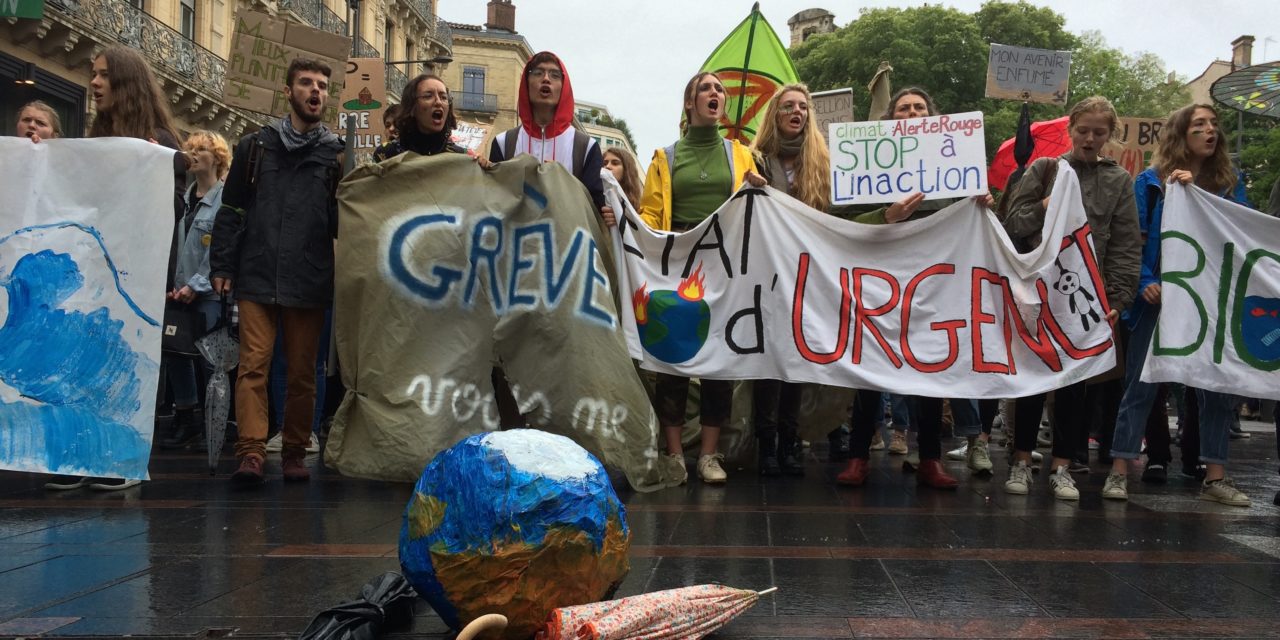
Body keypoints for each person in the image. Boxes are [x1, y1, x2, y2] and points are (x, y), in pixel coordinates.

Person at [833, 87, 994, 490]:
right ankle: (857, 457)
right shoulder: (868, 162)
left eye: (919, 107)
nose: (911, 113)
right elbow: (843, 219)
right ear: (891, 119)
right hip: (880, 278)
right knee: (869, 365)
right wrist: (886, 215)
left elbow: (970, 213)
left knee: (931, 367)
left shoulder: (954, 160)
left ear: (931, 116)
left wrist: (983, 203)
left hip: (933, 281)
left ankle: (930, 460)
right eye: (903, 108)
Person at [44, 45, 188, 491]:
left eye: (104, 75)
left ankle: (119, 458)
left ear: (125, 84)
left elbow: (175, 208)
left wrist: (153, 168)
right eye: (93, 73)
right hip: (93, 266)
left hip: (134, 275)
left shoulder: (161, 143)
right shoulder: (93, 138)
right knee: (84, 359)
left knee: (121, 361)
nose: (95, 82)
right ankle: (83, 455)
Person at [1103, 103, 1252, 507]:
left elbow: (1243, 233)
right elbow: (1132, 239)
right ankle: (1119, 470)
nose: (1210, 132)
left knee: (1215, 386)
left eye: (1214, 126)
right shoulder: (1151, 182)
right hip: (1159, 299)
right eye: (1199, 125)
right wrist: (1146, 282)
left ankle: (1215, 475)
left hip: (1207, 297)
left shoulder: (1228, 183)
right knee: (1141, 384)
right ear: (1180, 135)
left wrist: (1200, 197)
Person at [210, 58, 344, 486]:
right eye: (306, 83)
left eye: (322, 85)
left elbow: (345, 220)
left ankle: (293, 450)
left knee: (304, 371)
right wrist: (222, 265)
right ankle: (250, 451)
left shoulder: (336, 154)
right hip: (257, 271)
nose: (315, 91)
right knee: (253, 367)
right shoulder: (255, 147)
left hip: (309, 277)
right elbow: (230, 209)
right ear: (288, 91)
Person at [1001, 95, 1141, 501]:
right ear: (1071, 130)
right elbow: (1014, 221)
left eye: (1099, 133)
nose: (1090, 138)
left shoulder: (1119, 181)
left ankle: (1062, 465)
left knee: (1074, 385)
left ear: (1110, 135)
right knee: (1032, 378)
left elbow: (1126, 244)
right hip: (1038, 291)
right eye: (1083, 131)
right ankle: (1022, 460)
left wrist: (1117, 297)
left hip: (1088, 297)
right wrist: (1049, 203)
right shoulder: (1046, 169)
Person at [637, 71, 759, 485]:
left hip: (723, 269)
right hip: (676, 267)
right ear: (689, 104)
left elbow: (755, 210)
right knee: (671, 358)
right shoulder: (665, 157)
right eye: (704, 88)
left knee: (718, 363)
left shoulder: (742, 155)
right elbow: (650, 216)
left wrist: (757, 189)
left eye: (719, 90)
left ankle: (709, 455)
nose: (714, 93)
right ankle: (673, 454)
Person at [487, 52, 606, 425]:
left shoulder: (584, 147)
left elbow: (594, 207)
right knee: (509, 348)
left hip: (564, 271)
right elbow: (489, 203)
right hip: (514, 269)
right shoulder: (505, 143)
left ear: (563, 86)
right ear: (527, 83)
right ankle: (512, 431)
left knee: (562, 348)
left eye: (554, 75)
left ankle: (562, 430)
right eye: (537, 73)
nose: (545, 80)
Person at [740, 83, 831, 477]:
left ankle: (790, 439)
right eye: (788, 106)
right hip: (766, 273)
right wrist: (747, 189)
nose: (797, 112)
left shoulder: (824, 165)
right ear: (775, 116)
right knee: (767, 358)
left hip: (809, 274)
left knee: (796, 357)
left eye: (803, 107)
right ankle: (766, 441)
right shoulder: (756, 161)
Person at [159, 131, 231, 452]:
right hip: (178, 290)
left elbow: (219, 249)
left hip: (207, 294)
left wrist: (196, 285)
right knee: (175, 351)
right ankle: (185, 416)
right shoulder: (183, 198)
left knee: (208, 359)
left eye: (201, 149)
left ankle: (213, 423)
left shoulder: (223, 200)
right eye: (190, 149)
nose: (194, 154)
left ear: (217, 158)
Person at [603, 146, 643, 212]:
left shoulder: (642, 209)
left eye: (615, 163)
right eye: (604, 163)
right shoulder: (593, 196)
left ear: (627, 170)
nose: (607, 166)